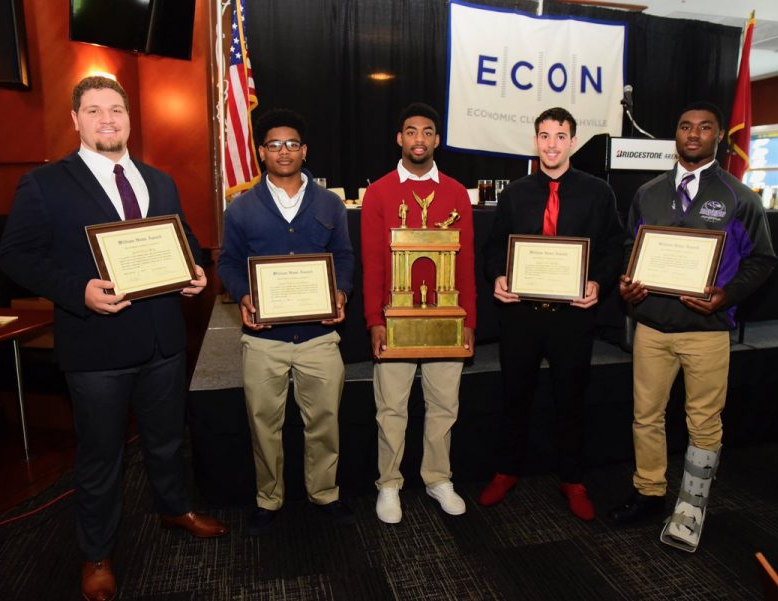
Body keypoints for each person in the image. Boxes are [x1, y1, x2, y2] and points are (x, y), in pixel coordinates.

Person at [0, 76, 228, 601]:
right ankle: (96, 553)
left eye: (117, 110)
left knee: (168, 441)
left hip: (163, 341)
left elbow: (186, 241)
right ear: (75, 120)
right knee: (102, 458)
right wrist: (77, 291)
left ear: (129, 118)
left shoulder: (159, 180)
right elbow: (14, 256)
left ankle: (174, 509)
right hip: (96, 348)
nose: (108, 119)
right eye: (95, 110)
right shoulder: (45, 183)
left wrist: (195, 270)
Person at [609, 101, 777, 552]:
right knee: (646, 415)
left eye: (704, 128)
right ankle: (648, 490)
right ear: (676, 135)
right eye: (685, 126)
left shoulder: (741, 197)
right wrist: (627, 283)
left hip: (707, 332)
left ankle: (692, 504)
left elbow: (763, 260)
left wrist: (727, 295)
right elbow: (631, 246)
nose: (694, 134)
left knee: (703, 421)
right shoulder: (648, 192)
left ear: (718, 137)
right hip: (653, 328)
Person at [480, 107, 624, 521]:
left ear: (573, 142)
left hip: (573, 318)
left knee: (571, 399)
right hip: (522, 316)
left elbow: (615, 246)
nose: (552, 144)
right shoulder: (516, 193)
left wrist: (597, 281)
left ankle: (573, 479)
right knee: (514, 397)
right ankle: (506, 471)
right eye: (544, 135)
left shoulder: (598, 193)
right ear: (536, 140)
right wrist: (499, 277)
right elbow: (493, 249)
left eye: (560, 136)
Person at [217, 109, 355, 535]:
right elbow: (227, 262)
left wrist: (341, 291)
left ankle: (324, 494)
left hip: (318, 337)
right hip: (264, 339)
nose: (283, 151)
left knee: (325, 421)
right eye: (274, 144)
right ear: (261, 152)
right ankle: (269, 499)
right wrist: (242, 294)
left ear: (304, 150)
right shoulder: (241, 208)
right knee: (264, 424)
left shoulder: (330, 203)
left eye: (292, 144)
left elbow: (345, 257)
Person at [361, 102, 476, 524]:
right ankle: (389, 484)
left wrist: (470, 323)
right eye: (411, 131)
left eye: (427, 132)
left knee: (444, 405)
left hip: (445, 321)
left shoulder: (456, 193)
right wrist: (374, 319)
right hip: (395, 322)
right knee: (391, 408)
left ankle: (437, 478)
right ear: (400, 139)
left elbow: (465, 266)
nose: (419, 140)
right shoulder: (380, 192)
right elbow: (373, 262)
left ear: (437, 140)